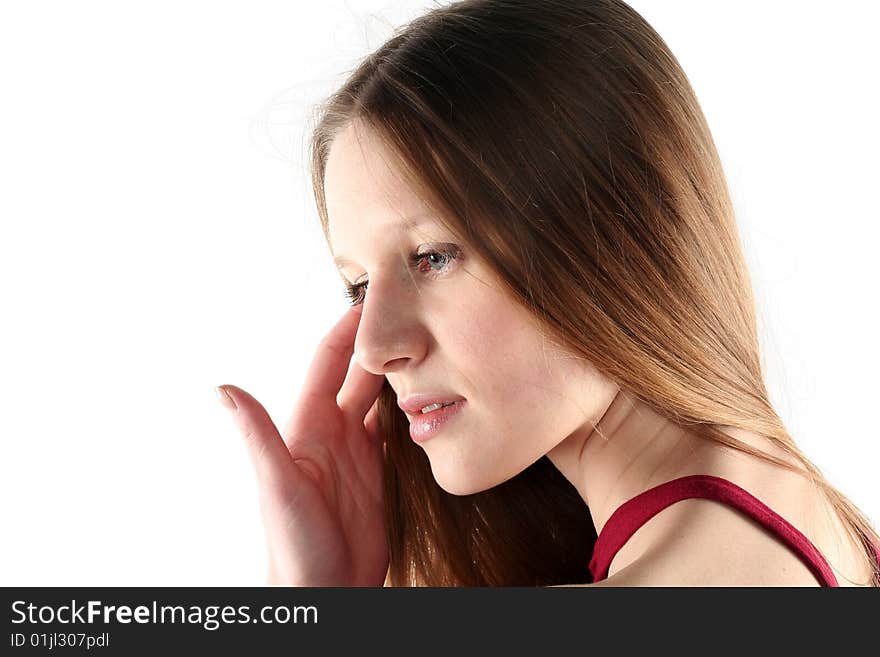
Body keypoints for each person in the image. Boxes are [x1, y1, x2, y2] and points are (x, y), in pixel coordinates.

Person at [216, 0, 880, 586]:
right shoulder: (787, 511)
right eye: (358, 284)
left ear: (618, 231)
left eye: (433, 256)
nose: (377, 345)